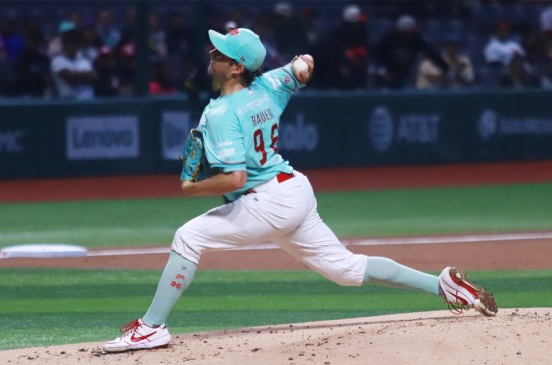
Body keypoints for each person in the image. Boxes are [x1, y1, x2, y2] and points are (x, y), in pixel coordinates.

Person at [102, 27, 498, 353]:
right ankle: (441, 284)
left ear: (237, 67)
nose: (212, 57)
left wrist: (191, 188)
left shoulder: (222, 113)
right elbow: (302, 64)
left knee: (188, 236)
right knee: (346, 270)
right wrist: (300, 67)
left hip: (266, 201)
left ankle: (152, 326)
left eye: (220, 54)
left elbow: (235, 180)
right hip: (294, 191)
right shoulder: (271, 84)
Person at [373, 14, 449, 89]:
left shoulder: (416, 40)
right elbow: (377, 55)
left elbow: (431, 53)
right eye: (405, 33)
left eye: (410, 33)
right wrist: (383, 70)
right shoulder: (389, 39)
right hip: (388, 72)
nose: (408, 36)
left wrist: (445, 68)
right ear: (399, 31)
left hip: (406, 72)